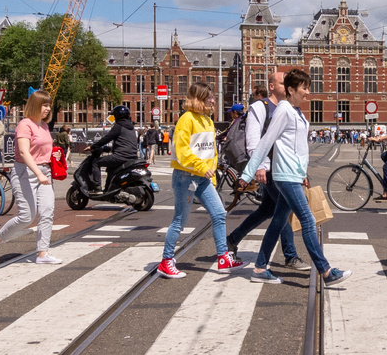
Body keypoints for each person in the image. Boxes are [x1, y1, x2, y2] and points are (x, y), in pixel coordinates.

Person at [240, 69, 348, 287]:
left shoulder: (297, 112)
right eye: (304, 88)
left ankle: (260, 267)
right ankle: (326, 272)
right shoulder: (284, 110)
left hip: (293, 174)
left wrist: (303, 174)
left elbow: (297, 148)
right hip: (284, 175)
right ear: (291, 89)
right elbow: (266, 142)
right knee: (308, 220)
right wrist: (247, 173)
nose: (308, 92)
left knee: (278, 221)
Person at [159, 82, 242, 278]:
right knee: (180, 220)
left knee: (219, 213)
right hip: (185, 176)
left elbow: (210, 151)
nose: (213, 100)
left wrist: (210, 173)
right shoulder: (186, 120)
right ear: (199, 99)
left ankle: (223, 256)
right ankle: (166, 261)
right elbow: (182, 151)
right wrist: (202, 167)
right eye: (209, 97)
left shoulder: (207, 120)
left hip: (203, 177)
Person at [225, 82, 302, 270]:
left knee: (268, 210)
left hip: (280, 167)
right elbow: (253, 140)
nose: (287, 85)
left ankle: (232, 240)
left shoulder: (286, 108)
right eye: (283, 82)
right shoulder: (260, 107)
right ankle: (290, 255)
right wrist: (259, 166)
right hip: (267, 168)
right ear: (272, 86)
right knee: (284, 209)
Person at [0, 91, 65, 266]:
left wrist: (55, 156)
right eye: (44, 105)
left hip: (45, 171)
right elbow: (23, 152)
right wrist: (39, 174)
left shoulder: (44, 126)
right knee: (27, 216)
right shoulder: (24, 125)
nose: (48, 108)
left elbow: (43, 149)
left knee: (47, 212)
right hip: (26, 173)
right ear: (35, 105)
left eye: (49, 105)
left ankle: (42, 253)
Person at [84, 104, 143, 194]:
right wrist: (107, 149)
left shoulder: (119, 126)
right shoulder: (131, 127)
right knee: (111, 169)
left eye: (115, 116)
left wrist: (93, 146)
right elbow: (123, 143)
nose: (114, 118)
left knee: (95, 162)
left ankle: (97, 187)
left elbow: (107, 138)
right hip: (132, 157)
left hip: (120, 156)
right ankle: (109, 189)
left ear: (118, 116)